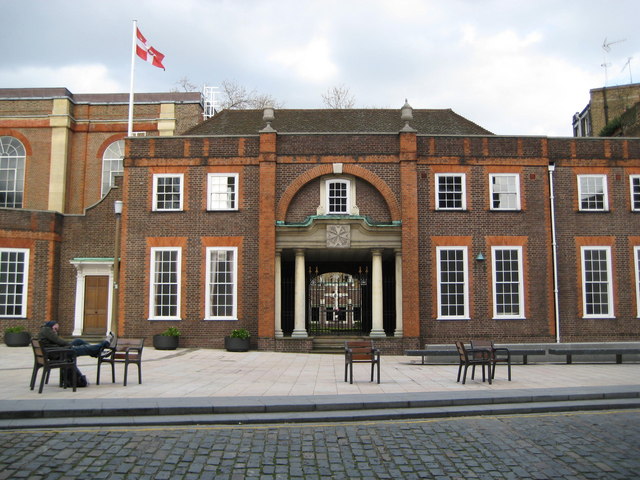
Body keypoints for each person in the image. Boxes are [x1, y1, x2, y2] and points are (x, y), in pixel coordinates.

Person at [38, 320, 113, 357]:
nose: (56, 331)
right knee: (84, 348)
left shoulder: (46, 331)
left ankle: (98, 352)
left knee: (78, 341)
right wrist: (71, 346)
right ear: (51, 326)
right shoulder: (47, 330)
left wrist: (69, 345)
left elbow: (58, 341)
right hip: (58, 353)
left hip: (57, 350)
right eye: (55, 329)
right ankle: (103, 345)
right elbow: (59, 341)